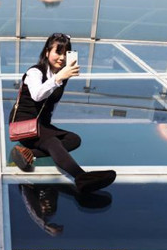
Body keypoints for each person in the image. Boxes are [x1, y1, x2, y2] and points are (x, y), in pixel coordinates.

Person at [9, 33, 116, 193]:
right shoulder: (35, 72)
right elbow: (37, 95)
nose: (62, 58)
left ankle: (27, 153)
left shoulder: (62, 75)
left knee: (73, 139)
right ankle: (80, 177)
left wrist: (61, 77)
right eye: (58, 52)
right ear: (47, 52)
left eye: (66, 53)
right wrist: (59, 78)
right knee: (52, 142)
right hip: (24, 123)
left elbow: (51, 104)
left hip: (41, 124)